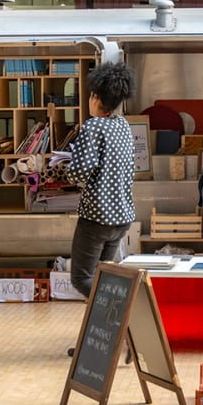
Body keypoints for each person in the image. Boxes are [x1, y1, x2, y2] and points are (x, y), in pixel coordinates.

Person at [67, 62, 137, 298]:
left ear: (96, 98)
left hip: (96, 218)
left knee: (81, 279)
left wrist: (67, 167)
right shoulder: (123, 125)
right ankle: (110, 327)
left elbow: (79, 173)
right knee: (102, 276)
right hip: (121, 217)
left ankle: (121, 307)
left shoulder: (93, 125)